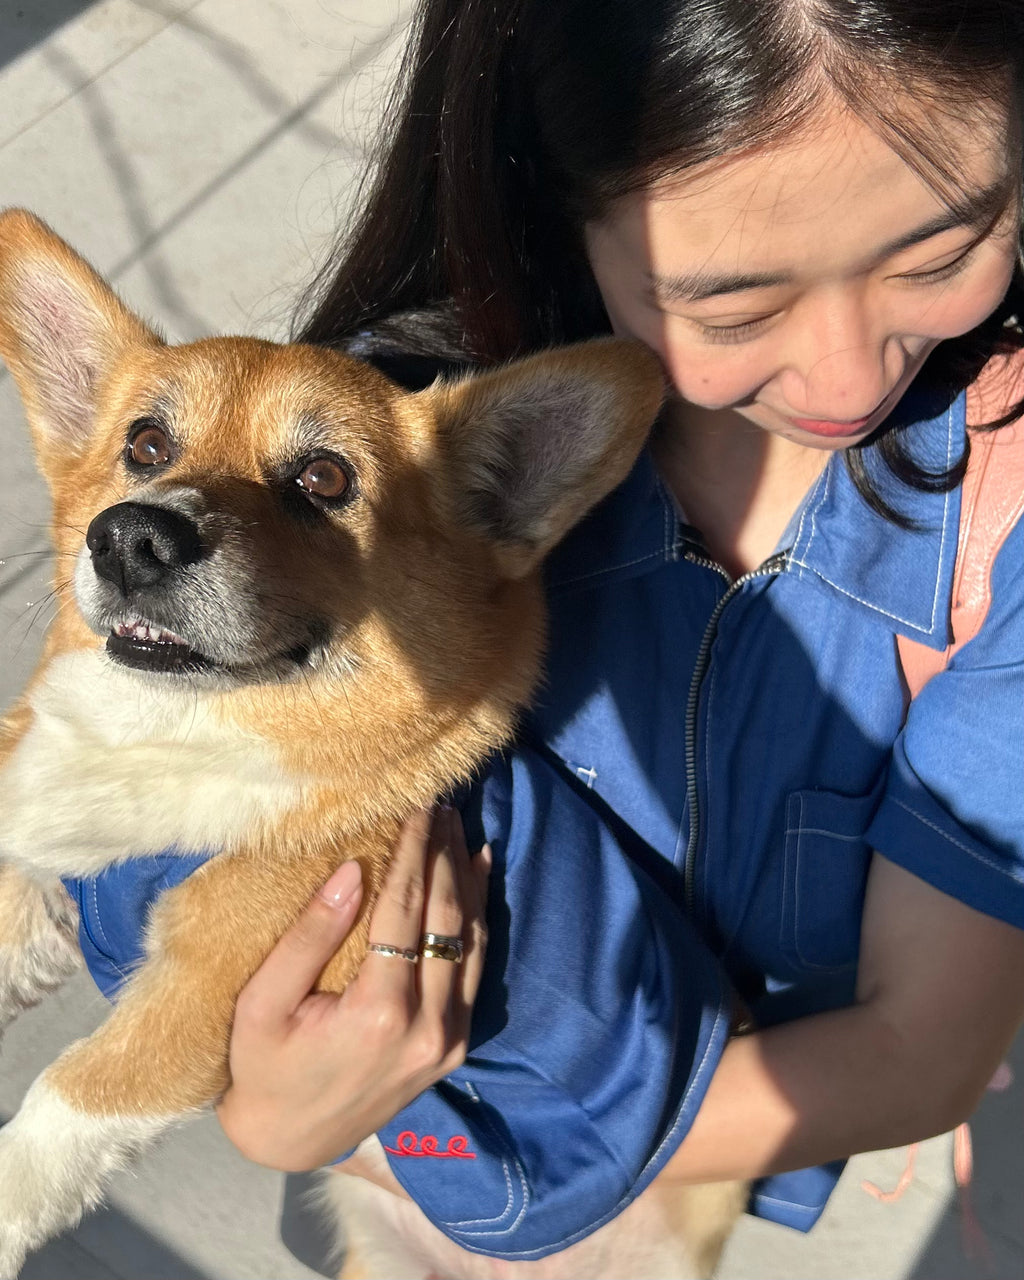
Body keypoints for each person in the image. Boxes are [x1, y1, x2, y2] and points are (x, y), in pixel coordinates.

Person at [77, 0, 1024, 1264]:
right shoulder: (359, 467)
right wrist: (246, 1073)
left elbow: (917, 1055)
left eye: (941, 248)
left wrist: (370, 1132)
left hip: (612, 1182)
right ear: (551, 190)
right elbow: (143, 819)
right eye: (730, 307)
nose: (848, 376)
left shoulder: (997, 528)